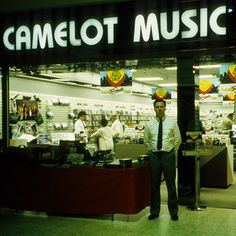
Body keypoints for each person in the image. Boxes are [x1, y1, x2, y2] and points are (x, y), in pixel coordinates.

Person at [144, 99, 182, 221]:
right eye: (157, 107)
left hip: (168, 155)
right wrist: (152, 150)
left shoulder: (172, 123)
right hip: (154, 156)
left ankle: (173, 212)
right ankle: (154, 211)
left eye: (161, 106)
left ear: (165, 108)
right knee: (154, 185)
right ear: (154, 108)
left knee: (171, 185)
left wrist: (171, 151)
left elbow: (178, 139)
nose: (159, 108)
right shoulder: (149, 124)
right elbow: (146, 140)